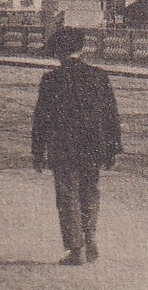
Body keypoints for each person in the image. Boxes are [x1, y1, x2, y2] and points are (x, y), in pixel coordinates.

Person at [31, 28, 122, 266]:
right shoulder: (98, 76)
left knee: (68, 195)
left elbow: (41, 119)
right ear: (81, 50)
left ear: (59, 53)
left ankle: (76, 248)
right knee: (89, 191)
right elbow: (111, 115)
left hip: (63, 147)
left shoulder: (51, 80)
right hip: (92, 146)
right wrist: (112, 148)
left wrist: (37, 152)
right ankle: (90, 236)